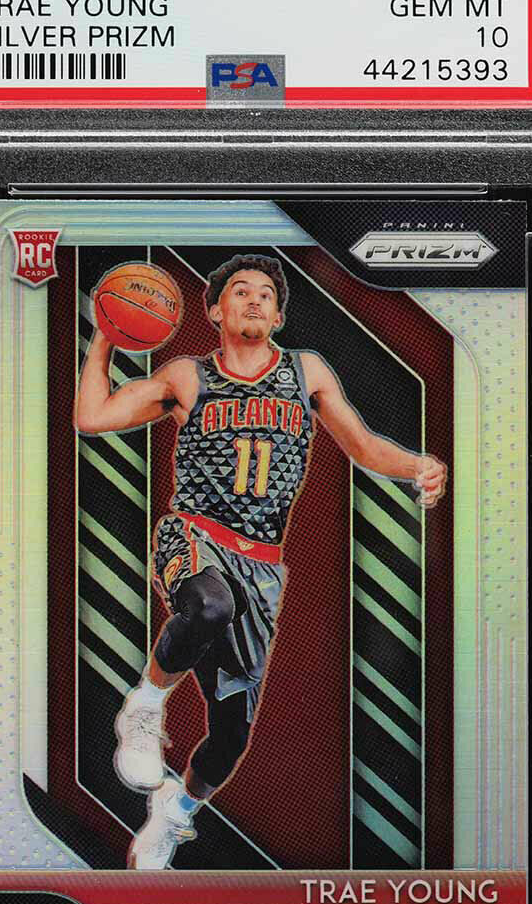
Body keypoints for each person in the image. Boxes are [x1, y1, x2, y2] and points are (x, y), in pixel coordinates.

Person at [74, 254, 447, 869]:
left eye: (266, 294)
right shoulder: (188, 376)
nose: (254, 299)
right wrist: (105, 337)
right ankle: (144, 708)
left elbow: (362, 445)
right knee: (208, 604)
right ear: (215, 311)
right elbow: (91, 417)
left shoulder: (307, 372)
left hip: (264, 564)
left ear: (277, 317)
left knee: (231, 739)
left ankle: (176, 812)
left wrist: (418, 464)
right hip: (195, 534)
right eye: (240, 291)